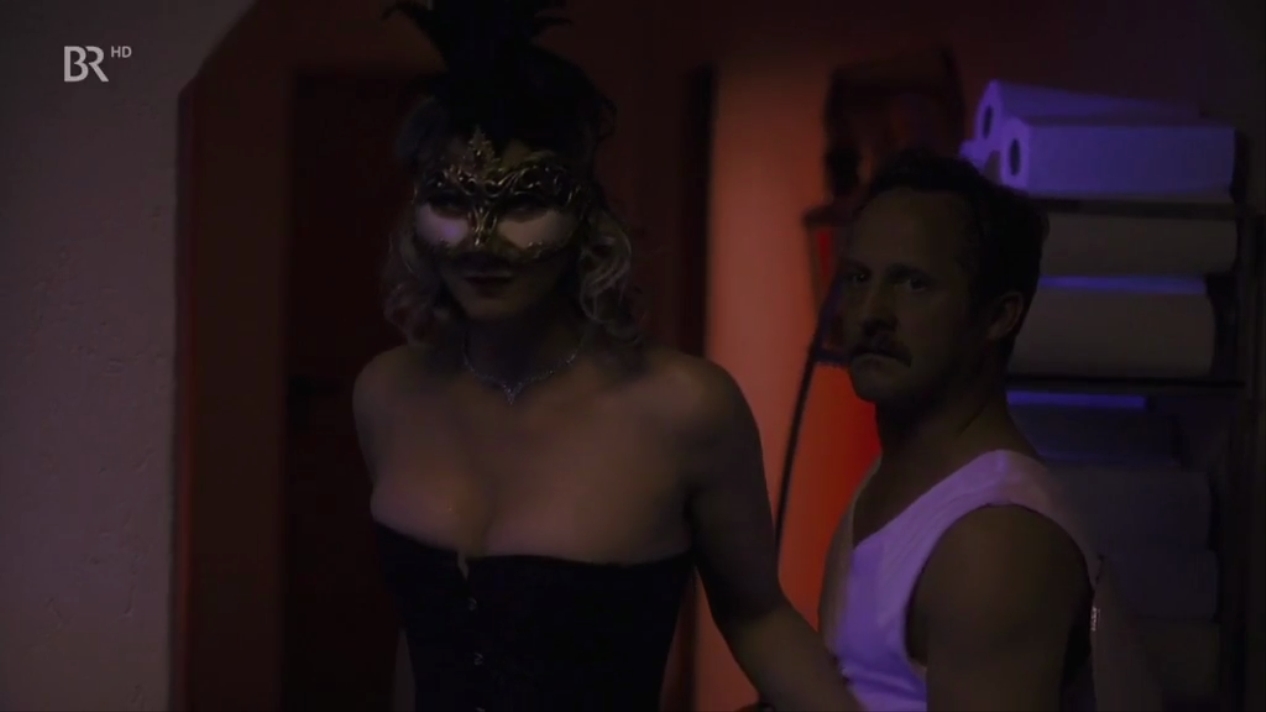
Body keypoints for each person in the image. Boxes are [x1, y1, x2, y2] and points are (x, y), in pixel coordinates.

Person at [353, 2, 858, 710]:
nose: (482, 242)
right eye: (454, 202)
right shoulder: (386, 395)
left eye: (523, 204)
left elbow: (758, 617)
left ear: (587, 215)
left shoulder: (685, 409)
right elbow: (420, 638)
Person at [817, 148, 1162, 710]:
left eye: (913, 284)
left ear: (999, 316)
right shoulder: (894, 475)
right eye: (858, 277)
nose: (871, 311)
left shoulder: (995, 541)